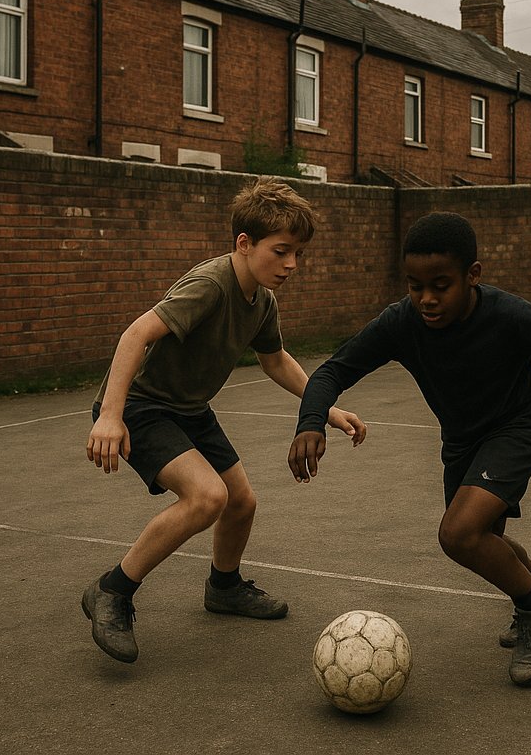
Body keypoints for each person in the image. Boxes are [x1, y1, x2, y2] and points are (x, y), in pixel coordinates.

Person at [287, 212, 531, 687]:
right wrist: (311, 423)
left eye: (441, 285)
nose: (426, 299)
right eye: (414, 286)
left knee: (457, 534)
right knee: (483, 539)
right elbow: (331, 371)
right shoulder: (401, 323)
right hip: (462, 440)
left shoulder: (507, 316)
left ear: (473, 275)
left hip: (518, 427)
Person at [83, 177, 365, 663]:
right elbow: (135, 335)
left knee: (240, 502)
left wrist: (327, 408)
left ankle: (224, 587)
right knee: (207, 497)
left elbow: (276, 361)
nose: (292, 264)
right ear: (244, 243)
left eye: (299, 253)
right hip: (142, 406)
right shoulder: (211, 285)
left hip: (188, 408)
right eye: (282, 251)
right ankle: (112, 591)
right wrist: (110, 416)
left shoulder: (262, 301)